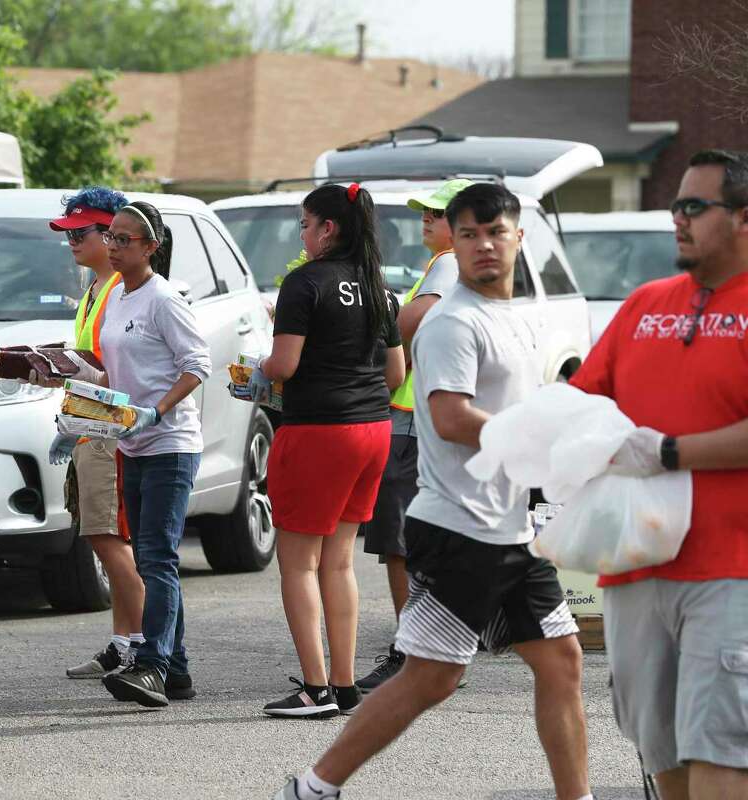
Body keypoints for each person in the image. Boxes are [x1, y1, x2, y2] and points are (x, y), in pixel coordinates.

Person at [274, 184, 591, 800]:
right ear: (456, 243)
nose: (483, 246)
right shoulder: (454, 322)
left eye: (494, 232)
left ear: (518, 238)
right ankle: (313, 786)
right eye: (468, 234)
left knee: (563, 663)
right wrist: (532, 436)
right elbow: (449, 417)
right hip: (459, 530)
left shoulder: (516, 320)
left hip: (511, 530)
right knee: (432, 678)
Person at [569, 149, 748, 800]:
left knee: (720, 752)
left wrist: (669, 452)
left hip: (731, 571)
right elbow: (586, 401)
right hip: (635, 565)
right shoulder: (644, 303)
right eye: (677, 205)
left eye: (696, 207)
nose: (679, 218)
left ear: (743, 219)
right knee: (661, 752)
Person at [243, 183, 403, 719]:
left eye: (306, 225)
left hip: (318, 431)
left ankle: (315, 690)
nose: (303, 234)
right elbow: (397, 372)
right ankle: (346, 683)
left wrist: (256, 372)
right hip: (372, 429)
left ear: (327, 228)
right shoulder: (377, 285)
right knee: (339, 563)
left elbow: (284, 365)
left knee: (298, 565)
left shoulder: (304, 281)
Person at [51, 201, 211, 708]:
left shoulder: (164, 299)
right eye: (112, 237)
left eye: (124, 239)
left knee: (158, 557)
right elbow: (111, 378)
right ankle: (176, 669)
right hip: (132, 444)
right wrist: (69, 377)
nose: (114, 247)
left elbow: (197, 364)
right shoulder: (116, 295)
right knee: (149, 556)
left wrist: (157, 411)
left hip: (169, 444)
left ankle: (152, 666)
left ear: (151, 247)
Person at [358, 178, 473, 693]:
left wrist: (375, 322)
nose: (426, 219)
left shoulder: (448, 263)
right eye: (424, 211)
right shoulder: (454, 263)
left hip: (411, 420)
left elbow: (412, 319)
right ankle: (439, 647)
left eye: (437, 212)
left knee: (400, 541)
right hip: (426, 416)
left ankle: (411, 652)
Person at [43, 187, 147, 679]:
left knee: (110, 540)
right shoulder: (98, 289)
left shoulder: (118, 291)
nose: (72, 242)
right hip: (90, 427)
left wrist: (68, 374)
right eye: (70, 233)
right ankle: (123, 642)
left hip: (107, 431)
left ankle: (141, 648)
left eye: (80, 233)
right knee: (104, 538)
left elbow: (115, 371)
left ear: (112, 234)